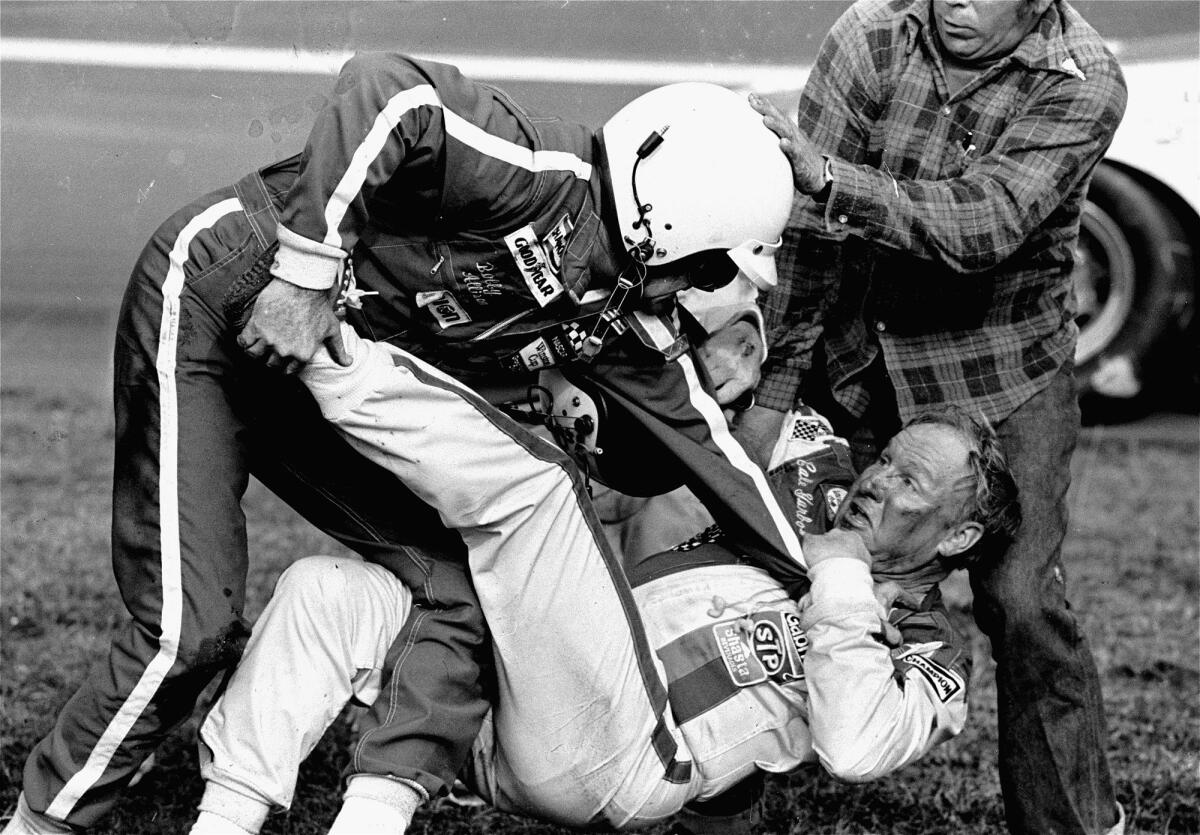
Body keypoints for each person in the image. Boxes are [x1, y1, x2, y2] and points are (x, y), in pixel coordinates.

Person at [5, 55, 804, 835]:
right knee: (188, 628)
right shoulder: (544, 172)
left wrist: (821, 590)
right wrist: (306, 270)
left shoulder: (620, 314)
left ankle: (371, 808)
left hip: (315, 375)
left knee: (454, 586)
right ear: (671, 220)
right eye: (704, 269)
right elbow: (388, 90)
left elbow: (720, 463)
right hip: (224, 295)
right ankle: (45, 819)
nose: (690, 291)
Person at [186, 354, 1020, 832]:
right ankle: (222, 823)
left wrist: (840, 578)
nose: (875, 480)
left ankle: (337, 366)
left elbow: (857, 746)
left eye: (908, 479)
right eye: (886, 458)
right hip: (516, 694)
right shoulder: (807, 486)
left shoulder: (932, 652)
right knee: (324, 590)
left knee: (537, 497)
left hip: (627, 751)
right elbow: (732, 398)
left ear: (957, 538)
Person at [743, 1, 1128, 832]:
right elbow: (808, 233)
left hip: (1001, 366)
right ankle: (716, 783)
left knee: (1023, 600)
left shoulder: (1084, 80)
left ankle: (1076, 827)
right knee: (774, 546)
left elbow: (985, 222)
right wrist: (773, 394)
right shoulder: (869, 35)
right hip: (862, 356)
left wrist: (836, 181)